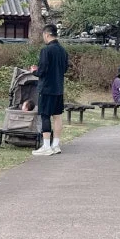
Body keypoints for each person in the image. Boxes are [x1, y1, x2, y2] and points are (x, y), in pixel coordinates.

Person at [32, 24, 69, 156]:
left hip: (47, 88)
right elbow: (65, 69)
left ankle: (46, 146)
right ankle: (56, 145)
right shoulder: (63, 51)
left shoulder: (46, 50)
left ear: (47, 34)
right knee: (57, 116)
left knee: (45, 115)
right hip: (58, 88)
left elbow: (42, 70)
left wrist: (34, 71)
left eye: (43, 35)